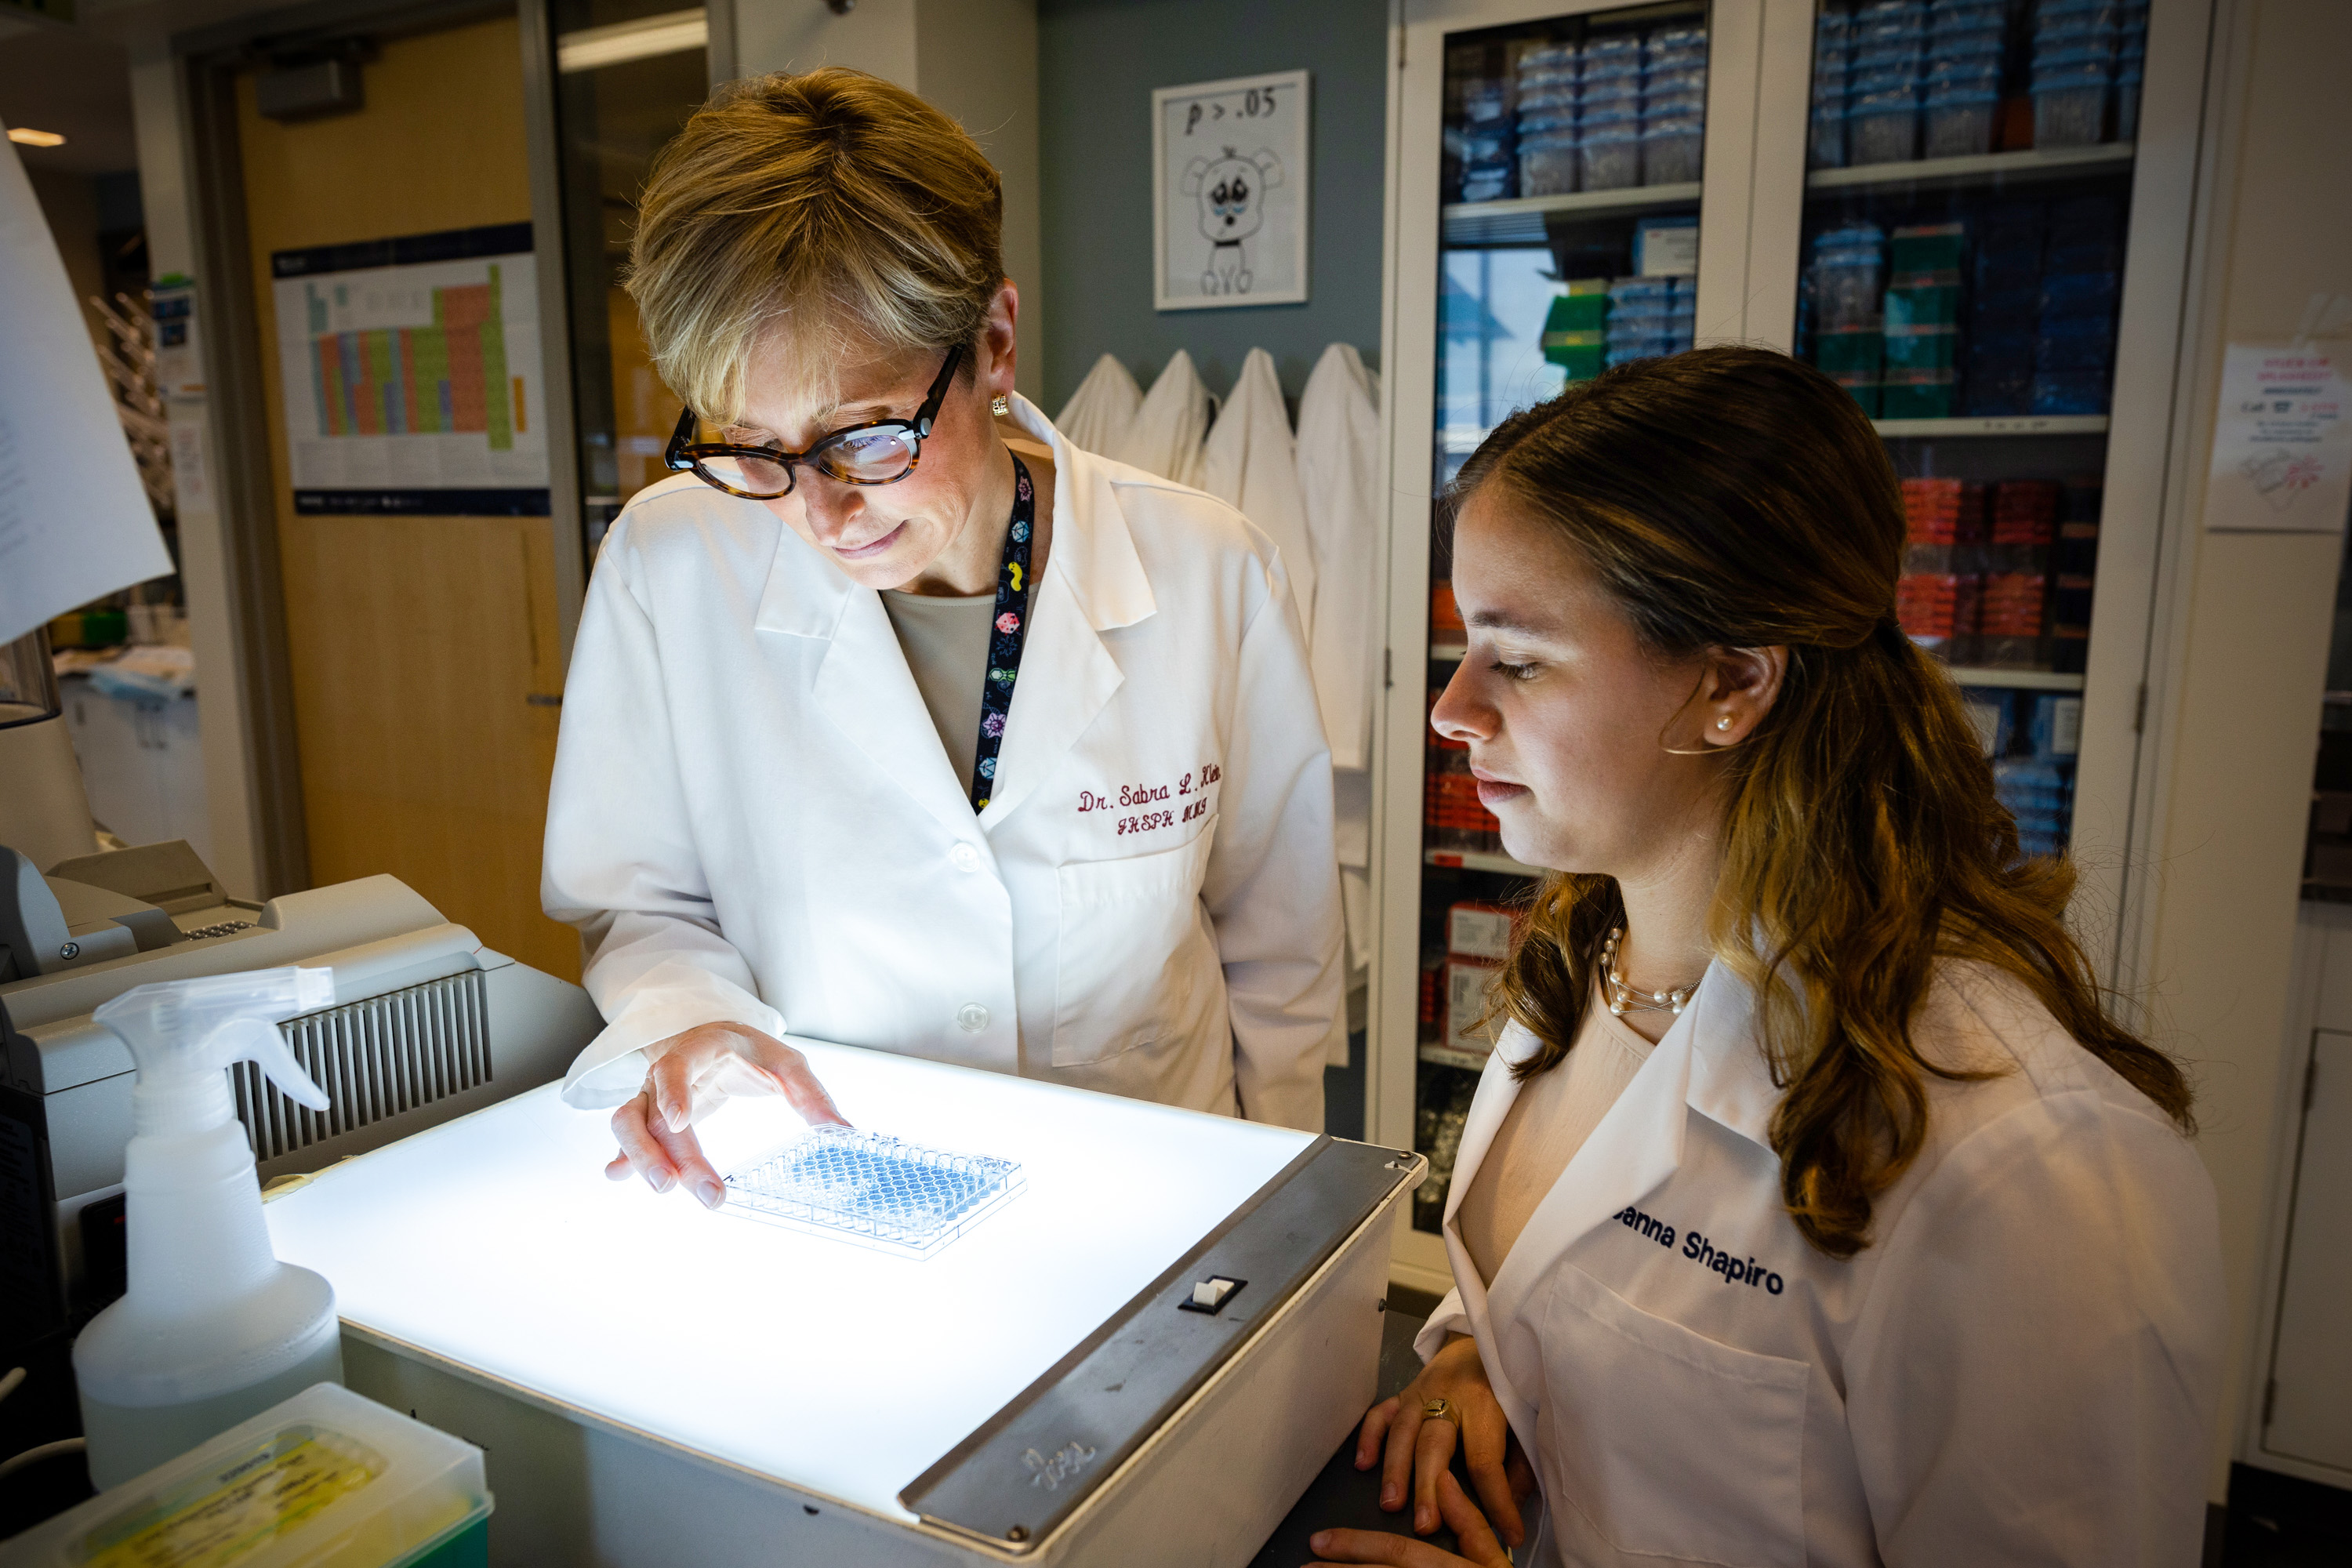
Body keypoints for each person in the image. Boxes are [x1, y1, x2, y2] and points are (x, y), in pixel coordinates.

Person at [1312, 347, 2223, 1568]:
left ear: (1732, 681)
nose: (1453, 708)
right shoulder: (1586, 967)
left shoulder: (2028, 1167)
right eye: (1466, 646)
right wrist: (1476, 1359)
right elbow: (1560, 1292)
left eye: (1518, 659)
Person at [542, 68, 1341, 1207]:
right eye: (754, 445)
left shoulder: (1210, 570)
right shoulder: (669, 565)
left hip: (1154, 1200)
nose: (817, 511)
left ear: (996, 342)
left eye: (864, 438)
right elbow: (639, 901)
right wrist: (690, 1019)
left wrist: (1275, 1226)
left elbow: (1282, 958)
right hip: (839, 1190)